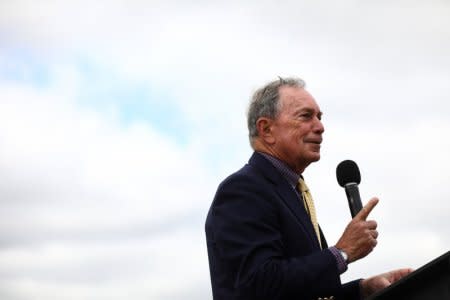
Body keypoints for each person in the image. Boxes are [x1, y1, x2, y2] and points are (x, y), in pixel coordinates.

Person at [205, 77, 412, 300]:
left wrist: (362, 290)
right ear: (266, 130)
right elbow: (259, 285)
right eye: (306, 116)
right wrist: (342, 252)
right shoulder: (243, 190)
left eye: (319, 117)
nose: (320, 127)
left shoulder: (293, 192)